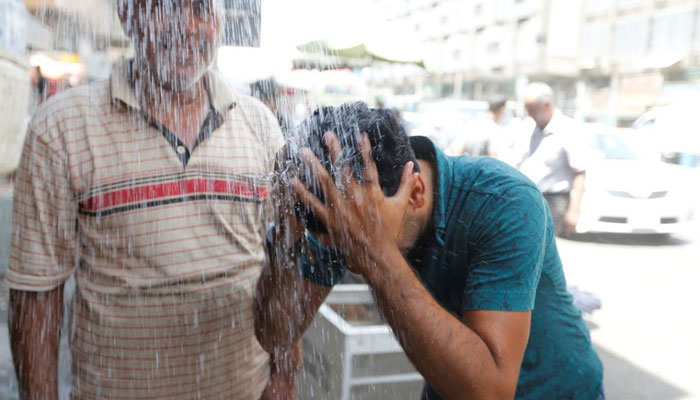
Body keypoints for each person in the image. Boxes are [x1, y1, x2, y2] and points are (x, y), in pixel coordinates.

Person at [5, 0, 298, 399]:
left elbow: (287, 258)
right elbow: (35, 295)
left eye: (202, 9)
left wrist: (282, 378)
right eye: (166, 6)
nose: (187, 26)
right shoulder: (60, 128)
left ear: (220, 21)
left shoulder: (260, 125)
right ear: (127, 16)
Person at [255, 102, 603, 400]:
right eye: (346, 249)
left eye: (358, 245)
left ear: (415, 192)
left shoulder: (506, 202)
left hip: (554, 389)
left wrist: (377, 256)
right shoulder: (345, 205)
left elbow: (491, 392)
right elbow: (274, 333)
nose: (351, 262)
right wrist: (286, 234)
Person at [519, 82, 590, 236]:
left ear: (547, 104)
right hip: (528, 197)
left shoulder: (568, 129)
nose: (530, 114)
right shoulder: (528, 128)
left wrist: (574, 211)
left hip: (554, 202)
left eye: (532, 109)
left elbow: (579, 174)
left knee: (544, 251)